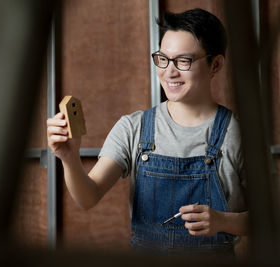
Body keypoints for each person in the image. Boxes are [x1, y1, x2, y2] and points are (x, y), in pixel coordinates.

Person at [47, 8, 248, 255]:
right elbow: (87, 197)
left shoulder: (238, 134)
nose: (169, 71)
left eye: (183, 61)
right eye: (162, 59)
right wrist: (69, 158)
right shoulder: (134, 128)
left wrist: (223, 221)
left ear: (215, 64)